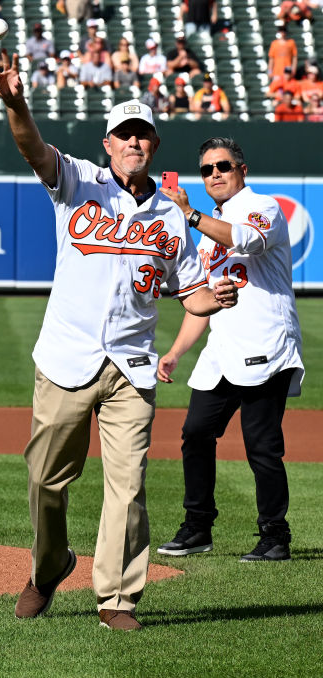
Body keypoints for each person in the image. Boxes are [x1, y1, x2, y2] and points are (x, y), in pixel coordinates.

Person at [0, 49, 238, 632]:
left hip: (130, 367)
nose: (133, 142)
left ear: (153, 144)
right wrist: (16, 103)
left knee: (128, 485)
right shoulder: (76, 180)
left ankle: (118, 598)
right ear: (108, 142)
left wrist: (215, 297)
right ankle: (49, 567)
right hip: (64, 357)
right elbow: (30, 146)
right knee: (45, 481)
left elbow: (191, 293)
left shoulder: (172, 215)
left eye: (143, 135)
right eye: (124, 134)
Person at [156, 137, 303, 563]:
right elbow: (204, 300)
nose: (214, 174)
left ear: (242, 169)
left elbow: (248, 240)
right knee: (196, 433)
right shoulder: (207, 232)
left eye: (222, 165)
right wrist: (177, 351)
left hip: (265, 342)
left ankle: (275, 535)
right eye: (206, 169)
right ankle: (198, 526)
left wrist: (188, 213)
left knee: (261, 445)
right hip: (221, 350)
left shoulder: (263, 206)